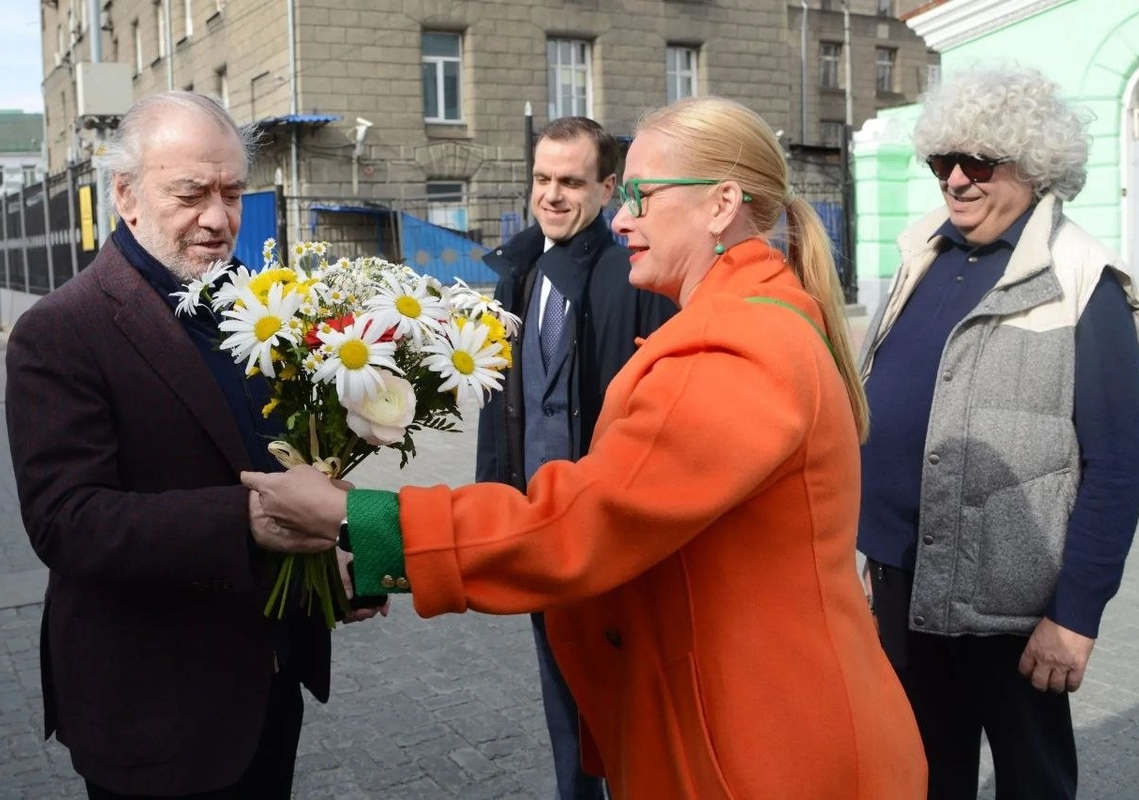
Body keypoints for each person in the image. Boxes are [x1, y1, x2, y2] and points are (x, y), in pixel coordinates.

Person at [243, 95, 928, 798]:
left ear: (721, 203)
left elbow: (588, 518)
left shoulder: (738, 348)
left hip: (768, 747)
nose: (623, 215)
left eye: (639, 193)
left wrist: (363, 521)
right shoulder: (747, 322)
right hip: (747, 725)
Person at [4, 91, 378, 800]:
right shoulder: (62, 330)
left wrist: (334, 555)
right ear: (126, 195)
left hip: (267, 689)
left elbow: (283, 461)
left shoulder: (259, 306)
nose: (218, 218)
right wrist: (246, 522)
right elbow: (67, 520)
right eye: (191, 193)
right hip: (154, 713)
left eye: (233, 192)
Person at [857, 65, 1139, 799]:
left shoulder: (1083, 279)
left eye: (977, 163)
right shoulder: (920, 253)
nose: (955, 181)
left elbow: (1117, 465)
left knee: (1033, 783)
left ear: (1033, 163)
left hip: (1015, 613)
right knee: (919, 776)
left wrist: (1074, 616)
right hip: (903, 586)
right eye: (940, 163)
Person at [477, 115, 675, 799]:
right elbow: (501, 403)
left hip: (612, 538)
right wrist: (492, 511)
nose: (551, 195)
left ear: (608, 187)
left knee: (628, 712)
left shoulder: (638, 273)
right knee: (563, 706)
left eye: (570, 181)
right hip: (540, 528)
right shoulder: (518, 269)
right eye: (541, 179)